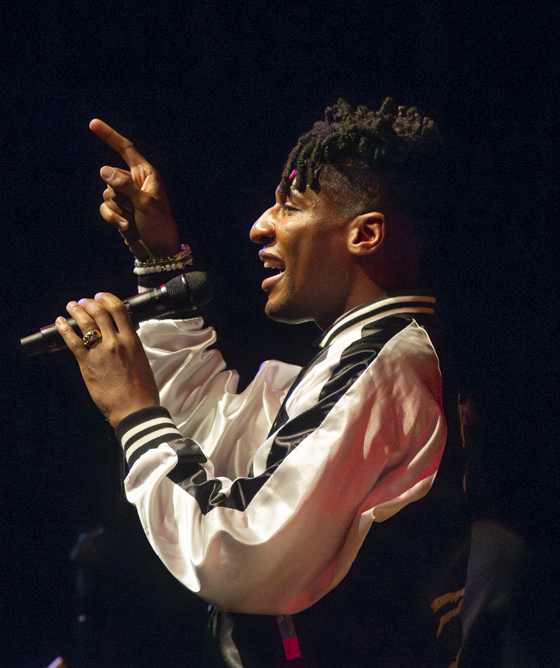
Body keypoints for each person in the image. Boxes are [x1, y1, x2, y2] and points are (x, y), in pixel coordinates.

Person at [54, 99, 470, 667]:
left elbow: (241, 547)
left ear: (365, 234)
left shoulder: (384, 360)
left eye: (289, 206)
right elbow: (218, 441)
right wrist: (161, 265)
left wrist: (135, 415)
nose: (260, 226)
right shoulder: (375, 353)